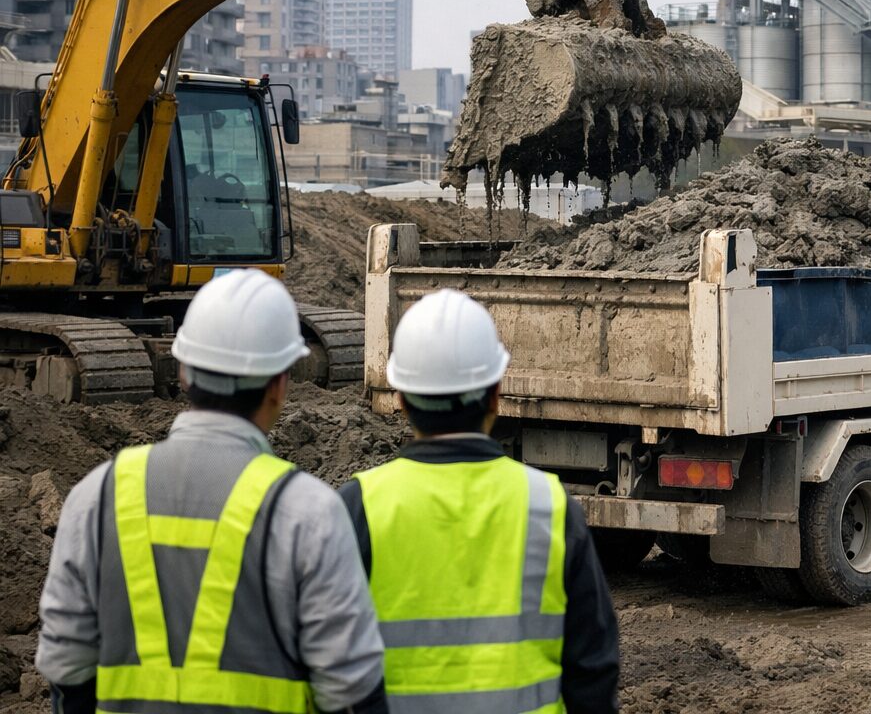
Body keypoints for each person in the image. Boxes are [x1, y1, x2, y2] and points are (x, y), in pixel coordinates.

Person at [36, 269, 387, 714]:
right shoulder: (308, 510)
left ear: (183, 371)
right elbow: (351, 688)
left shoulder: (96, 495)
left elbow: (65, 667)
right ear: (280, 385)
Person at [338, 288, 620, 714]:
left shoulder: (360, 506)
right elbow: (593, 669)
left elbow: (331, 666)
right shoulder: (550, 507)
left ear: (400, 397)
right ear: (496, 394)